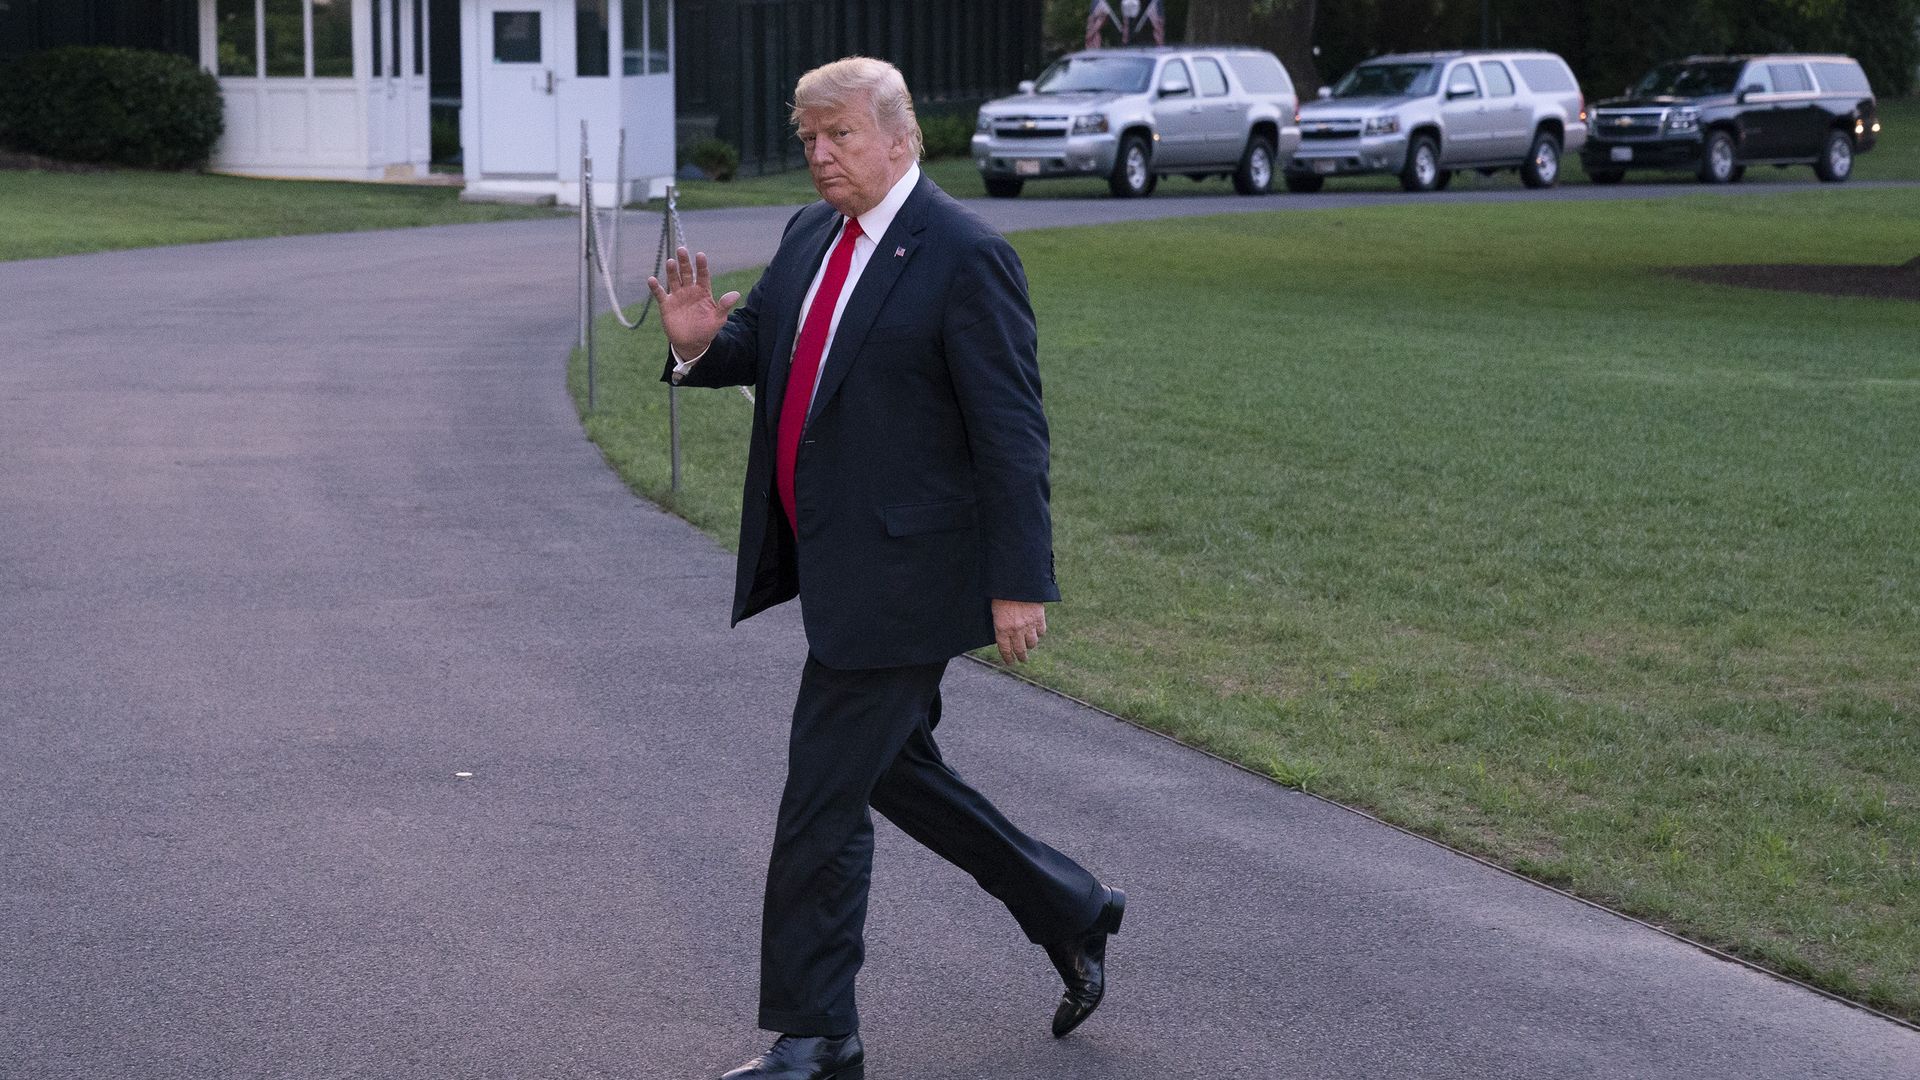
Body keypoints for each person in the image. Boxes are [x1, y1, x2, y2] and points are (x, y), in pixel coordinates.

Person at [646, 56, 1126, 1080]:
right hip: (838, 561)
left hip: (912, 577)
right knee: (894, 773)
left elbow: (1013, 435)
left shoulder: (963, 255)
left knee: (821, 798)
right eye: (808, 137)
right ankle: (1071, 907)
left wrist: (1019, 579)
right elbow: (770, 341)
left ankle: (820, 1038)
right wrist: (699, 348)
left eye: (841, 136)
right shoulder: (812, 232)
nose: (820, 155)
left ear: (902, 137)